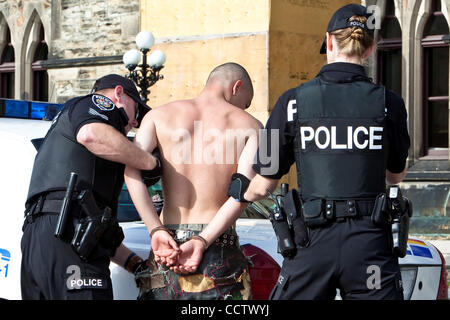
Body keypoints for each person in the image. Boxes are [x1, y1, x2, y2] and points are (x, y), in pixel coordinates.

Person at [241, 4, 410, 300]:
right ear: (369, 50)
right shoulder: (389, 103)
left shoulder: (289, 103)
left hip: (311, 245)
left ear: (329, 41)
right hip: (369, 245)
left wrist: (239, 189)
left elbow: (263, 182)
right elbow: (395, 175)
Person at [124, 62, 262, 300]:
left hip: (165, 246)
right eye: (246, 102)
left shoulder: (157, 116)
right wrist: (201, 239)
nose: (245, 108)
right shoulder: (253, 126)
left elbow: (130, 171)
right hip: (218, 248)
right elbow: (246, 192)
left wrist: (155, 229)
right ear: (236, 87)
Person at [21, 74, 158, 300]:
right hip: (67, 237)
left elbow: (94, 232)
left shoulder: (65, 139)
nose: (135, 122)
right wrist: (150, 162)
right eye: (137, 112)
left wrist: (136, 266)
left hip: (41, 242)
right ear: (119, 94)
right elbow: (91, 134)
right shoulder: (97, 106)